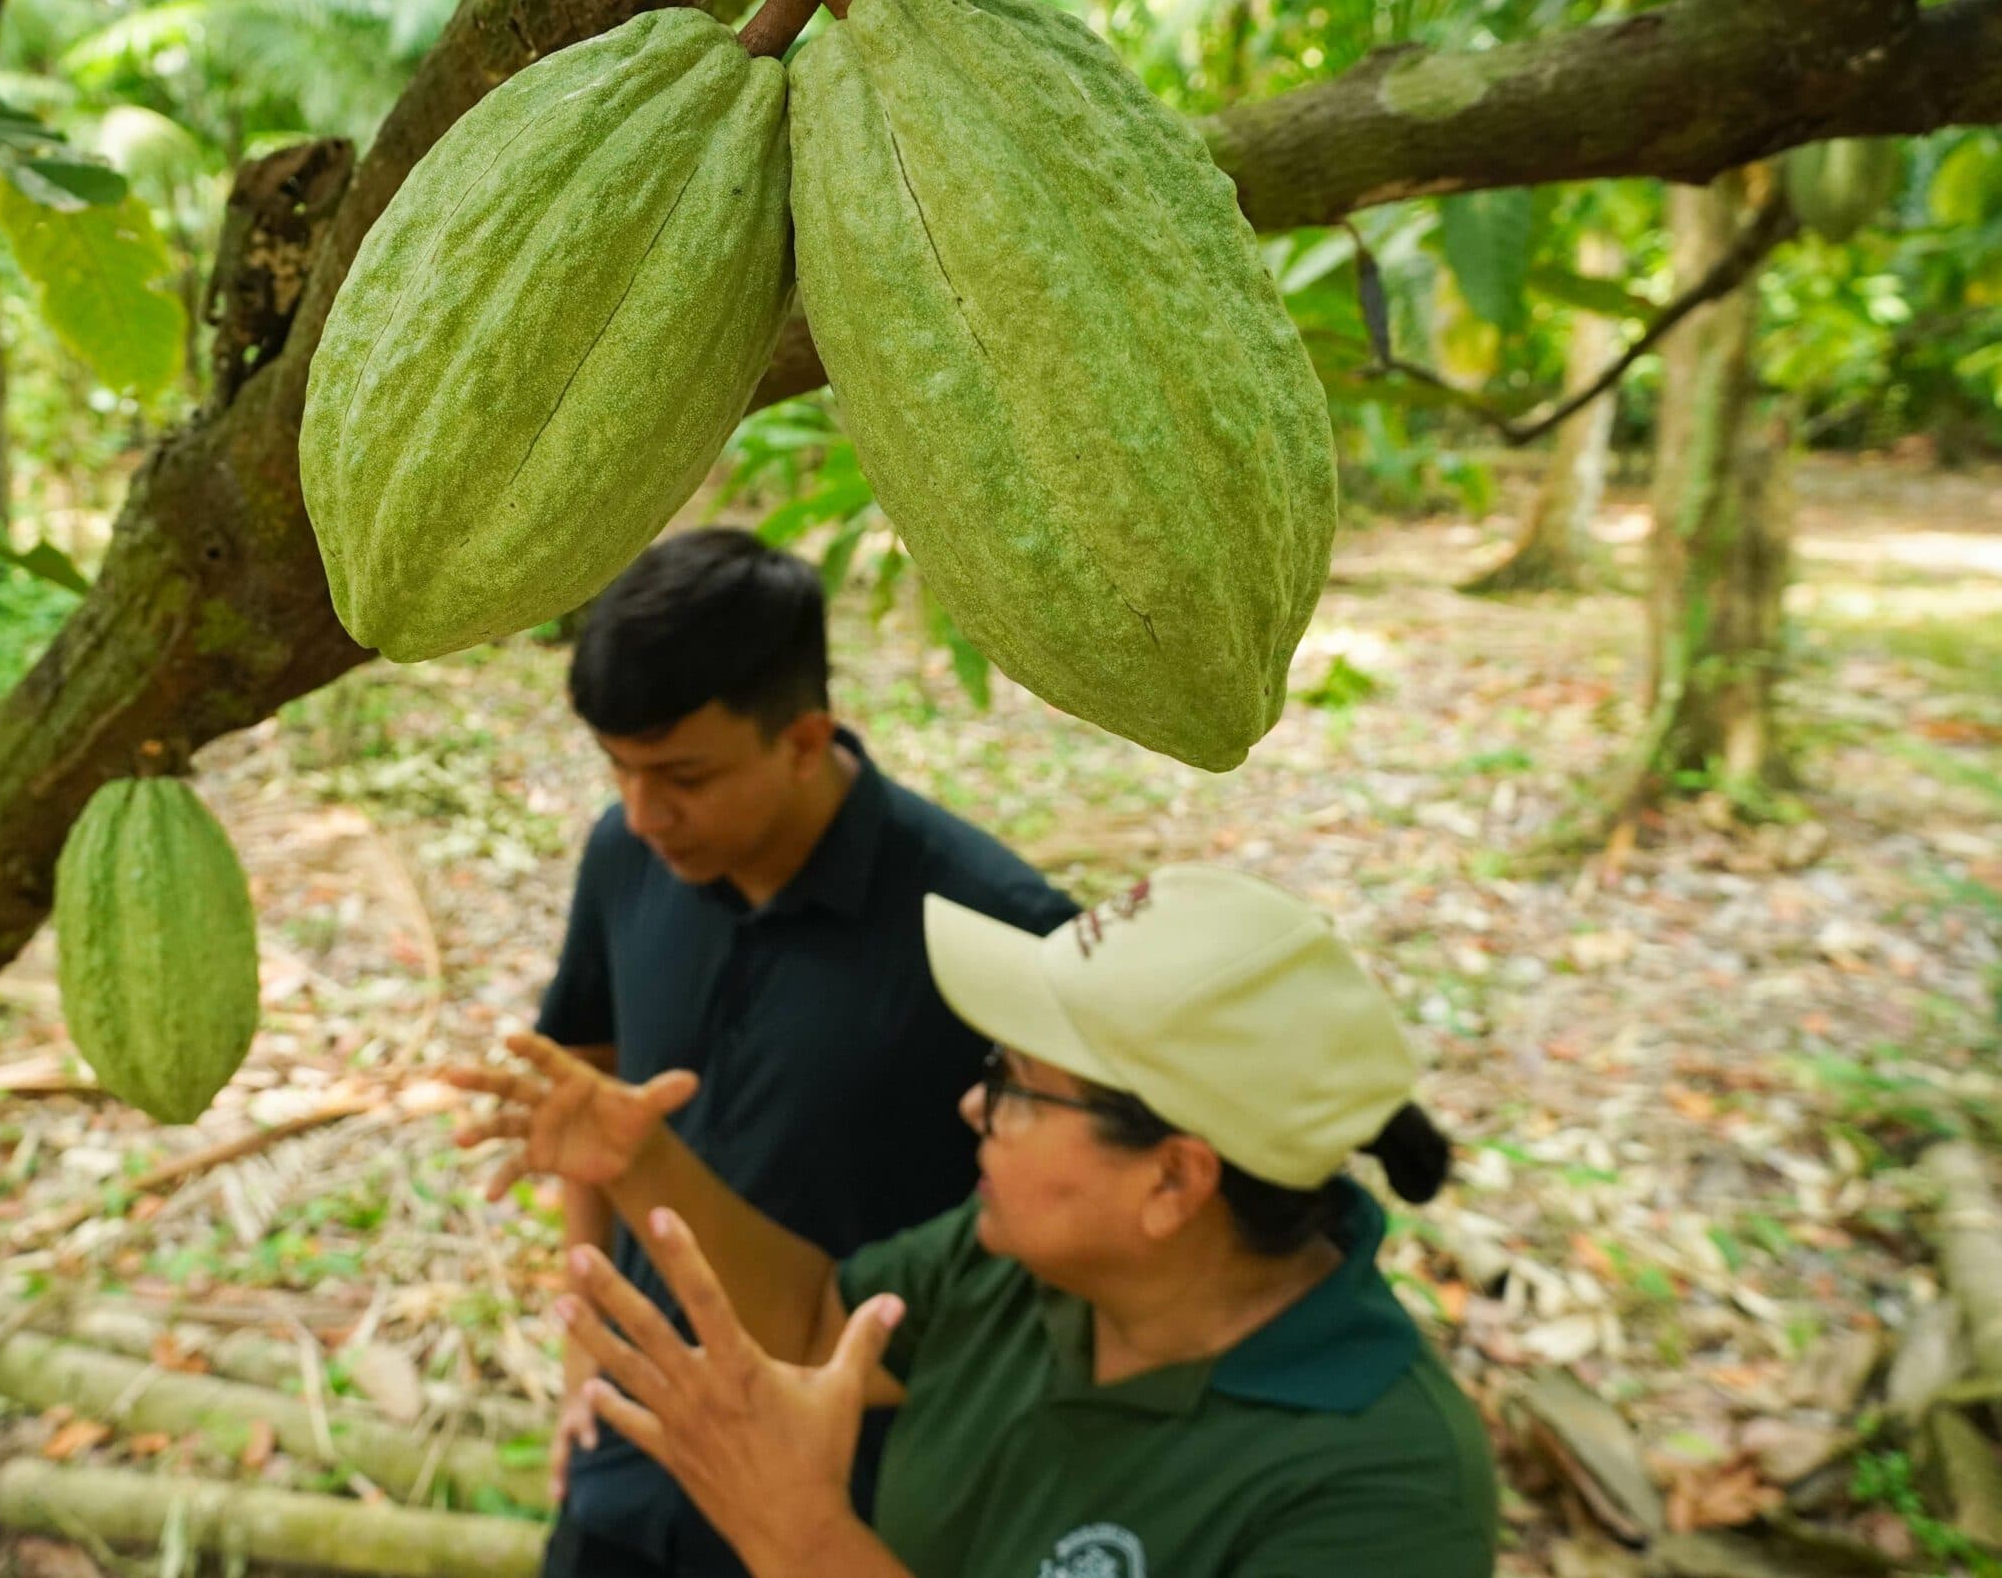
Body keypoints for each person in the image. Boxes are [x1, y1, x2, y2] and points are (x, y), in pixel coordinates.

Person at [453, 864, 1498, 1578]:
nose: (971, 1105)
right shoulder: (1023, 1265)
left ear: (1173, 1183)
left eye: (1013, 1083)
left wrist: (804, 1542)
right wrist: (642, 1162)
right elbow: (823, 1326)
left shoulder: (1381, 1485)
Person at [524, 529, 1077, 1577]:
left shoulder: (993, 932)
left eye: (681, 775)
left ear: (804, 736)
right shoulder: (623, 856)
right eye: (619, 771)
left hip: (845, 1491)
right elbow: (587, 1096)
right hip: (632, 1446)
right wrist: (578, 1362)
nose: (643, 814)